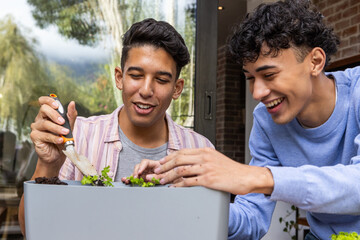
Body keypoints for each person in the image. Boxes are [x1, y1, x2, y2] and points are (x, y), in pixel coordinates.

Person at [133, 0, 360, 239]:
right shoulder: (266, 121)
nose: (257, 93)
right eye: (250, 78)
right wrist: (193, 201)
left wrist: (255, 177)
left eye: (269, 74)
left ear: (315, 62)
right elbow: (252, 218)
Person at [18, 18, 213, 235]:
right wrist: (49, 165)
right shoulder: (79, 136)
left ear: (177, 88)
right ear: (119, 78)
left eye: (161, 80)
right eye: (136, 76)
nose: (146, 90)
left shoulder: (199, 150)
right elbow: (33, 230)